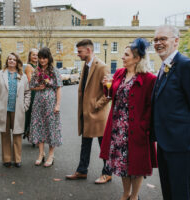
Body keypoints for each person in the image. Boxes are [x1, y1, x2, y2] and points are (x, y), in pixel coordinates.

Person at [100, 38, 158, 200]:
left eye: (126, 55)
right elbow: (112, 96)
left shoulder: (149, 79)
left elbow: (150, 106)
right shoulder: (119, 73)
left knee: (137, 166)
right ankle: (125, 194)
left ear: (137, 58)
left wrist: (143, 125)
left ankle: (134, 196)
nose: (122, 57)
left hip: (136, 129)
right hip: (117, 127)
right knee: (121, 164)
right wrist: (107, 87)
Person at [152, 25, 190, 200]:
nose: (158, 43)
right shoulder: (163, 66)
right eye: (156, 40)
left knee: (179, 192)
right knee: (168, 190)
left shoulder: (186, 65)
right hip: (164, 141)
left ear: (176, 41)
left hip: (180, 142)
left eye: (163, 39)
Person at [65, 39, 112, 183]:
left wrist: (96, 105)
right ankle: (81, 171)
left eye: (79, 51)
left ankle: (107, 173)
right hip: (86, 114)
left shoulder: (102, 67)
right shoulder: (85, 65)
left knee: (103, 146)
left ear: (89, 50)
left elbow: (109, 92)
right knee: (85, 144)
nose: (77, 54)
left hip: (98, 115)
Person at [0, 53, 31, 168]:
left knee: (17, 134)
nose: (11, 61)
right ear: (7, 61)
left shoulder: (22, 76)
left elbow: (27, 92)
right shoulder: (0, 74)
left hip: (18, 110)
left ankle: (17, 159)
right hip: (3, 109)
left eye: (14, 59)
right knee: (5, 134)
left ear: (17, 62)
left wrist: (25, 106)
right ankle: (7, 159)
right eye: (9, 59)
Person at [29, 47, 62, 167]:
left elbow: (58, 87)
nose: (42, 60)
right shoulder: (36, 71)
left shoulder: (54, 71)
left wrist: (58, 104)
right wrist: (39, 88)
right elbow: (31, 86)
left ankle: (51, 155)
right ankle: (41, 154)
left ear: (49, 58)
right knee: (39, 127)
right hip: (38, 102)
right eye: (40, 58)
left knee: (50, 128)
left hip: (51, 103)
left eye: (44, 58)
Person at [23, 48, 38, 141]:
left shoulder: (39, 66)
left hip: (39, 91)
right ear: (30, 56)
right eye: (33, 54)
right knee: (32, 113)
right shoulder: (29, 66)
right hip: (32, 92)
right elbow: (30, 82)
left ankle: (36, 133)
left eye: (37, 54)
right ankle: (29, 132)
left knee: (37, 114)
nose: (35, 56)